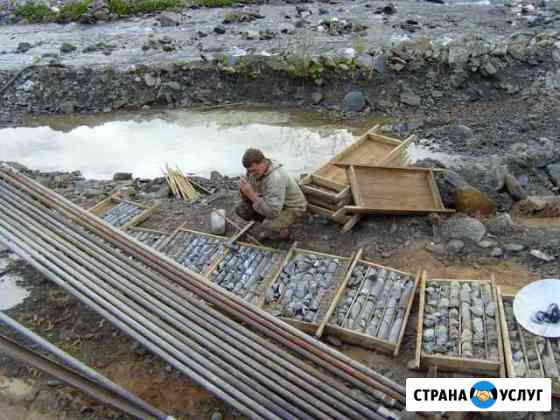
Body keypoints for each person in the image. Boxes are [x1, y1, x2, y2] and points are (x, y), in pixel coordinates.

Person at [235, 148, 307, 240]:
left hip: (291, 207)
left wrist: (251, 195)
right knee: (242, 209)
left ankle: (283, 230)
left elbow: (273, 212)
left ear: (263, 162)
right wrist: (243, 191)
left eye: (254, 170)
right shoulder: (254, 172)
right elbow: (249, 197)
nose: (251, 174)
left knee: (269, 225)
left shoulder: (275, 178)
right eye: (249, 171)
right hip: (271, 203)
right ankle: (268, 223)